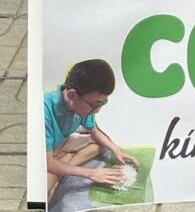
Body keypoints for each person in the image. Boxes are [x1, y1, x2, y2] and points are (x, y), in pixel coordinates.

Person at [44, 58, 138, 201]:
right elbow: (48, 163)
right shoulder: (43, 112)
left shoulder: (80, 104)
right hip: (41, 156)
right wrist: (91, 173)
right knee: (43, 191)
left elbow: (94, 132)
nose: (97, 110)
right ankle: (60, 169)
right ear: (72, 95)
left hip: (58, 146)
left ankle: (62, 169)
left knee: (100, 144)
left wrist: (116, 150)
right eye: (95, 105)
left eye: (102, 103)